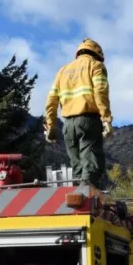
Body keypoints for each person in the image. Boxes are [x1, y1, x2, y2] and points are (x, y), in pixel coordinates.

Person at [44, 38, 113, 188]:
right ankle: (87, 198)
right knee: (91, 166)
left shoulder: (62, 71)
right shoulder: (96, 65)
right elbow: (100, 92)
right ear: (97, 54)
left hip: (68, 126)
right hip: (88, 121)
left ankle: (77, 199)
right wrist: (106, 118)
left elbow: (51, 100)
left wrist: (51, 126)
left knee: (77, 168)